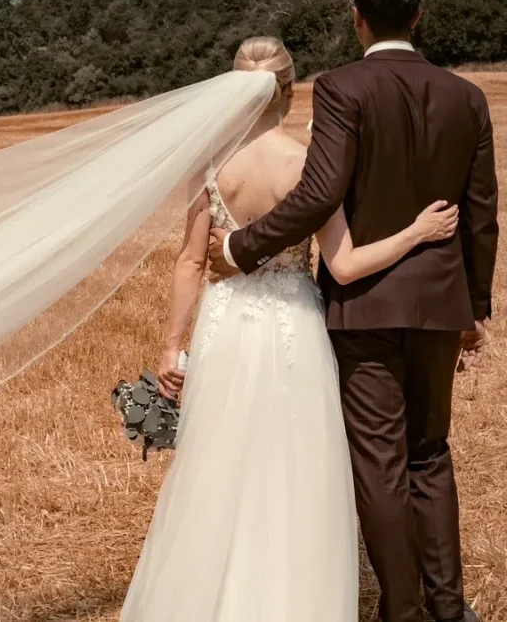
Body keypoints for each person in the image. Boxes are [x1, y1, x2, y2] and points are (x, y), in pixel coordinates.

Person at [119, 34, 459, 622]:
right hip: (292, 325)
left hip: (223, 325)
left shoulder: (210, 165)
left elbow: (190, 262)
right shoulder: (306, 163)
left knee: (217, 467)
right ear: (291, 90)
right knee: (295, 470)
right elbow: (346, 264)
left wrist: (172, 347)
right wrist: (414, 235)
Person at [206, 0, 497, 622]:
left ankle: (403, 610)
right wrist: (473, 309)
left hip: (365, 307)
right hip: (439, 304)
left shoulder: (341, 88)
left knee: (380, 465)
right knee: (431, 455)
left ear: (356, 17)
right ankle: (448, 609)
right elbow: (482, 215)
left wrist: (240, 247)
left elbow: (319, 192)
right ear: (419, 15)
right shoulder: (468, 97)